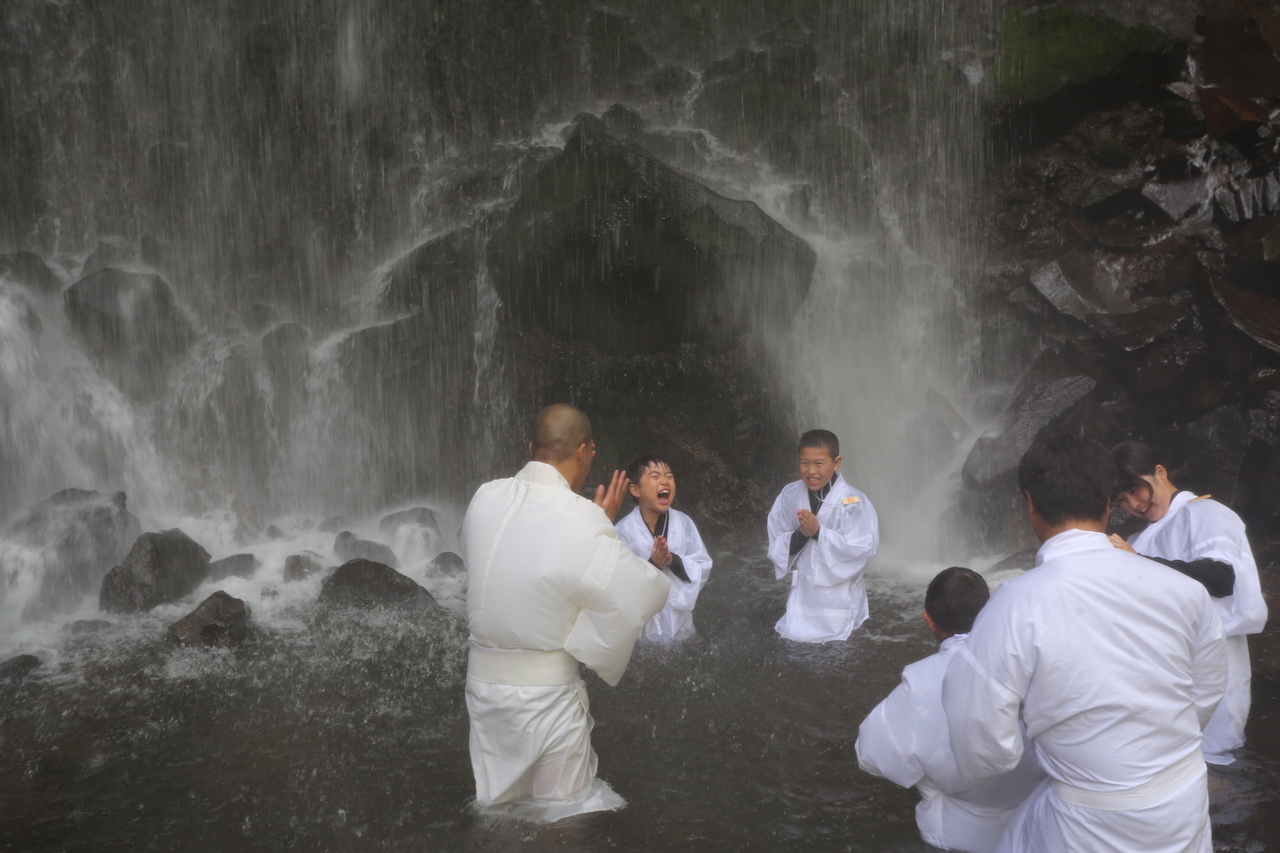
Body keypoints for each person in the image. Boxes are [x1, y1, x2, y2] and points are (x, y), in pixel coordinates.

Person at [943, 433, 1227, 853]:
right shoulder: (1184, 590)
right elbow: (1206, 691)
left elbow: (980, 740)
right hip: (1184, 803)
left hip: (1090, 822)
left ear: (1030, 504)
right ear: (1108, 505)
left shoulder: (1014, 605)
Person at [461, 404, 671, 821]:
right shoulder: (583, 520)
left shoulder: (484, 497)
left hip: (482, 690)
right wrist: (603, 527)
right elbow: (640, 595)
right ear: (583, 452)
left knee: (499, 810)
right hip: (545, 699)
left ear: (530, 448)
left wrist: (595, 525)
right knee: (561, 816)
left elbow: (510, 569)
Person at [857, 567, 1044, 852]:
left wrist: (929, 777)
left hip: (955, 836)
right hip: (1039, 824)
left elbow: (870, 753)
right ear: (988, 612)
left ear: (929, 621)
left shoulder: (918, 685)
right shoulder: (1031, 663)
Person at [1110, 440, 1268, 765]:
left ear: (1160, 471)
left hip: (1213, 651)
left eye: (1136, 490)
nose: (1133, 504)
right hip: (1163, 660)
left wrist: (1139, 561)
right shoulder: (1142, 540)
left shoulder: (1206, 513)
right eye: (1122, 500)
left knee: (1214, 753)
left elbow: (1222, 578)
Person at [766, 429, 878, 642]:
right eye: (804, 463)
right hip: (805, 595)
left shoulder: (853, 501)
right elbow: (776, 536)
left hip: (840, 601)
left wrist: (819, 533)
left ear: (836, 462)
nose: (811, 471)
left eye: (819, 464)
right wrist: (801, 534)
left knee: (840, 652)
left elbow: (864, 549)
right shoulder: (789, 495)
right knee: (796, 644)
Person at [615, 454, 713, 643]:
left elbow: (703, 564)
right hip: (644, 632)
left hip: (681, 624)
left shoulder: (683, 523)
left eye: (669, 476)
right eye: (655, 476)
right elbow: (618, 585)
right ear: (635, 490)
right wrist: (653, 565)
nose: (665, 481)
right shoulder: (624, 530)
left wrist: (672, 560)